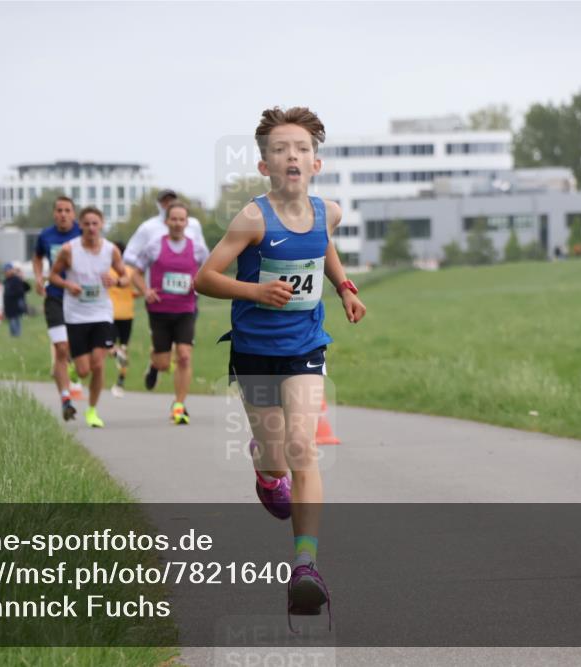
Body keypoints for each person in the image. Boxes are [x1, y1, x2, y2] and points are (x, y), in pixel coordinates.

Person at [194, 107, 366, 628]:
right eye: (280, 149)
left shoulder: (327, 211)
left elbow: (322, 248)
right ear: (264, 164)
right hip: (253, 350)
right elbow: (205, 278)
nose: (291, 155)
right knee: (275, 458)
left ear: (316, 162)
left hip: (306, 346)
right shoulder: (252, 218)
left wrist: (343, 287)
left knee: (303, 446)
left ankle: (305, 568)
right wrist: (255, 291)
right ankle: (266, 474)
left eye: (301, 148)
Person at [128, 200, 209, 424]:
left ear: (187, 222)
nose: (177, 223)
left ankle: (179, 405)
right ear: (166, 222)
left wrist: (199, 284)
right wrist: (145, 290)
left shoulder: (198, 248)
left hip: (186, 309)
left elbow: (209, 272)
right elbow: (135, 273)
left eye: (181, 219)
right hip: (159, 310)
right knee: (165, 363)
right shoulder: (154, 246)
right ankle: (155, 365)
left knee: (184, 355)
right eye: (173, 219)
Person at [49, 206, 125, 428]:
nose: (91, 228)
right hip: (76, 315)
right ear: (79, 225)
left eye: (95, 223)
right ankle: (74, 368)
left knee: (98, 364)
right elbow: (52, 275)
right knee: (83, 371)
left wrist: (116, 282)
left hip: (102, 313)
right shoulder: (68, 250)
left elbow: (125, 277)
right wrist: (67, 284)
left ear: (101, 225)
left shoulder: (111, 250)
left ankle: (92, 411)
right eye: (87, 224)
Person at [33, 196, 85, 420]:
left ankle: (73, 367)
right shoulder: (45, 236)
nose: (63, 214)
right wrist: (37, 277)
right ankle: (65, 398)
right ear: (54, 214)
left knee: (80, 358)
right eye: (59, 210)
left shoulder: (82, 234)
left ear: (74, 214)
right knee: (61, 348)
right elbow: (36, 257)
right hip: (54, 298)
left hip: (80, 300)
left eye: (67, 210)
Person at [107, 241, 139, 398]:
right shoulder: (130, 271)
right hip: (128, 315)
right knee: (124, 347)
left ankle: (115, 352)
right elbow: (137, 292)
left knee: (109, 346)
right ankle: (120, 381)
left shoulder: (107, 271)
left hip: (111, 314)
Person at [2, 263, 31, 338]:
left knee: (15, 320)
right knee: (11, 320)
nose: (6, 273)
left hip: (16, 304)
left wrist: (22, 279)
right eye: (5, 271)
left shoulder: (17, 279)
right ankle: (14, 336)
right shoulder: (6, 281)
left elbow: (25, 289)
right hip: (8, 305)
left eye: (7, 271)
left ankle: (17, 335)